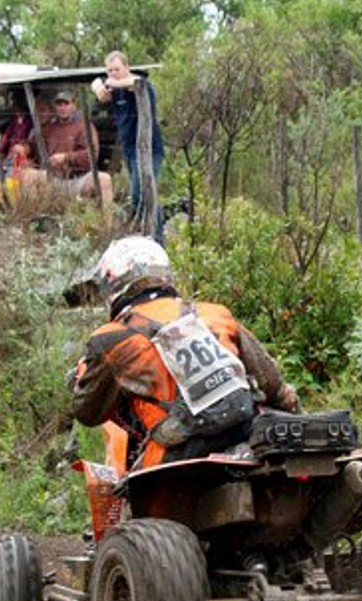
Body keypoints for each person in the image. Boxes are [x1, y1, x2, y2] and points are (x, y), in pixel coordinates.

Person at [69, 236, 299, 472]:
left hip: (175, 462)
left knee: (131, 499)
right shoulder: (215, 314)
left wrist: (81, 376)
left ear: (113, 285)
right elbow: (274, 385)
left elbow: (87, 412)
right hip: (247, 433)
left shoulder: (111, 339)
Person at [94, 52, 164, 236]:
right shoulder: (113, 89)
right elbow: (96, 83)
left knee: (143, 195)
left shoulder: (140, 84)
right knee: (138, 197)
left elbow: (136, 82)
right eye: (109, 70)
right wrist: (99, 87)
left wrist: (111, 82)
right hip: (130, 150)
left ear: (127, 67)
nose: (113, 73)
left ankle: (156, 238)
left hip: (148, 150)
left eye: (117, 69)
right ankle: (148, 235)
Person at [40, 89, 113, 204]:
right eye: (59, 104)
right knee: (27, 175)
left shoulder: (84, 126)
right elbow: (35, 147)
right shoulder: (49, 127)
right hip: (53, 179)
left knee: (104, 179)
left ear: (74, 105)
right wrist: (24, 148)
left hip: (78, 179)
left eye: (66, 103)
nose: (62, 107)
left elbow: (91, 156)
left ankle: (107, 219)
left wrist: (66, 157)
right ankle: (30, 215)